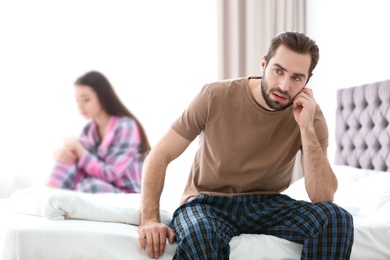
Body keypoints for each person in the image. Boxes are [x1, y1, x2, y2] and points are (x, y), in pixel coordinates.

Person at [138, 32, 354, 259]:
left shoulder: (310, 115)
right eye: (278, 71)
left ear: (308, 80)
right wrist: (150, 218)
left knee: (335, 218)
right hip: (208, 202)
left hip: (268, 204)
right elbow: (159, 155)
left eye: (296, 78)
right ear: (264, 63)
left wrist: (306, 127)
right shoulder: (214, 96)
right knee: (201, 236)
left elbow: (323, 196)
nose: (283, 85)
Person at [47, 71, 151, 193]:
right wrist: (63, 154)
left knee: (89, 186)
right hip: (97, 185)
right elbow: (79, 167)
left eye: (86, 100)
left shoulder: (126, 126)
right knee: (68, 162)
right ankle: (47, 193)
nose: (80, 106)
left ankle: (51, 196)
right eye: (77, 100)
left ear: (102, 97)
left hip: (125, 191)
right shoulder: (89, 131)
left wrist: (78, 148)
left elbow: (111, 174)